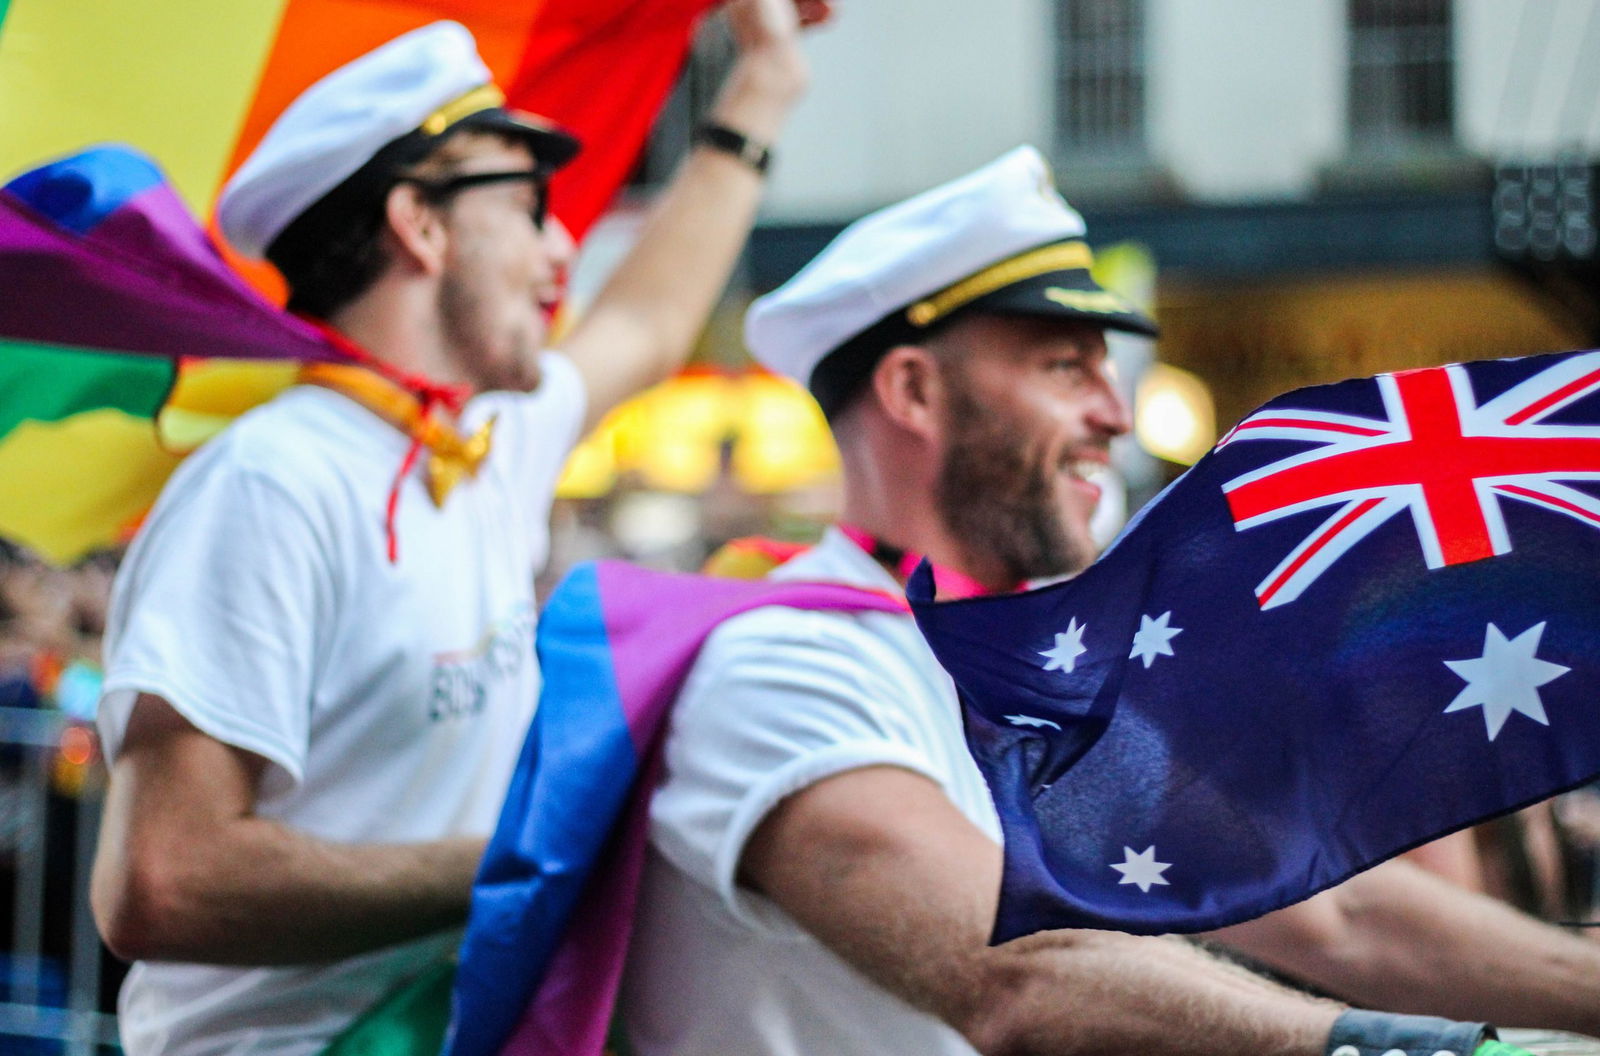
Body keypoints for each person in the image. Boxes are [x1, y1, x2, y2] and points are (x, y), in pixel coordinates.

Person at [619, 145, 1600, 1056]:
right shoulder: (783, 666)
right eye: (1063, 366)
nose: (1114, 415)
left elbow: (1343, 917)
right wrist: (1405, 1049)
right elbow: (1012, 972)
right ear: (913, 392)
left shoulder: (1042, 682)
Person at [87, 3, 826, 1053]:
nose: (561, 244)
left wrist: (765, 81)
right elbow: (161, 881)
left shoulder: (483, 439)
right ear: (419, 225)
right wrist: (529, 859)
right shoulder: (270, 481)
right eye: (529, 204)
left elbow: (649, 322)